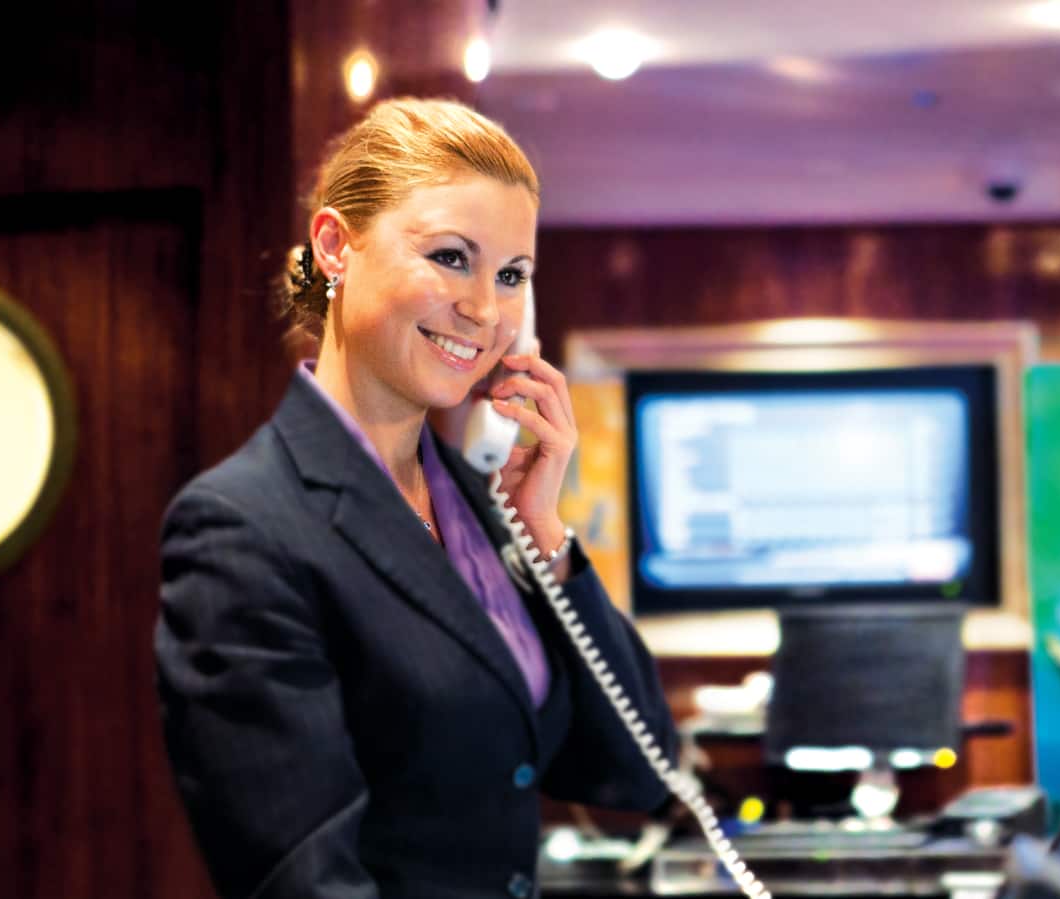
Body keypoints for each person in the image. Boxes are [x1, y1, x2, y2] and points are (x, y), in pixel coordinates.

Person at [153, 97, 677, 899]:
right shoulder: (241, 526)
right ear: (335, 246)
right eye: (451, 257)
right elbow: (303, 878)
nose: (485, 310)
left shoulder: (481, 510)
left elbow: (637, 771)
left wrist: (545, 535)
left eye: (511, 275)